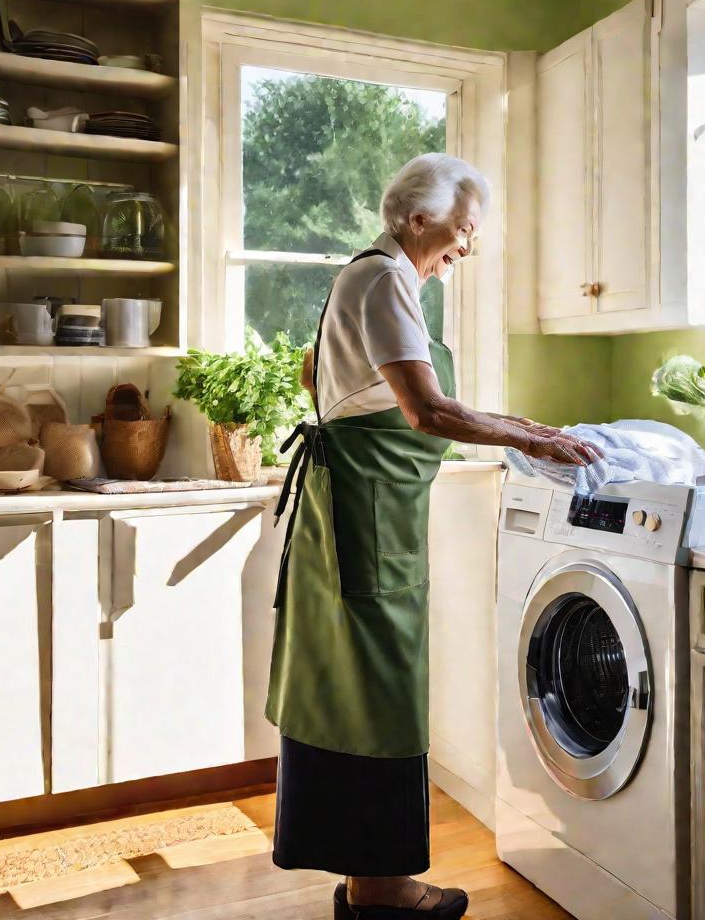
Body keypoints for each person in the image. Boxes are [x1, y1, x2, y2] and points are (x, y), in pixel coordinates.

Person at [266, 153, 600, 920]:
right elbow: (428, 412)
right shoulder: (383, 279)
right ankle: (386, 896)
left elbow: (364, 388)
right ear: (419, 220)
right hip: (368, 520)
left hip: (364, 515)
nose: (469, 246)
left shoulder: (374, 276)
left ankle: (368, 886)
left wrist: (531, 427)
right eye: (463, 229)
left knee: (356, 690)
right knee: (379, 692)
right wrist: (541, 443)